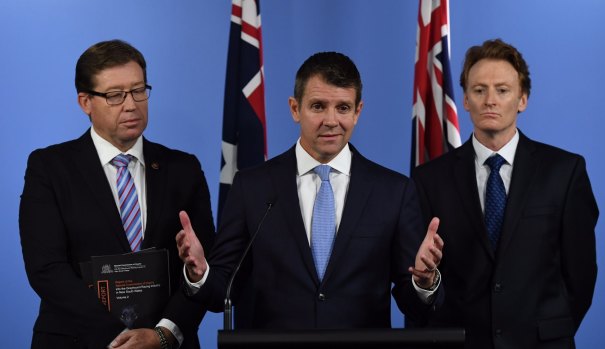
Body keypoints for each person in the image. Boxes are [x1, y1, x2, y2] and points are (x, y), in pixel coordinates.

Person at [176, 51, 444, 329]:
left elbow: (412, 302)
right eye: (318, 106)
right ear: (295, 109)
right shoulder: (251, 187)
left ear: (357, 112)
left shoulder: (393, 191)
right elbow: (222, 291)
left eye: (342, 108)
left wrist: (424, 282)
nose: (331, 120)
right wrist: (200, 273)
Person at [19, 39, 216, 349]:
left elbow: (205, 266)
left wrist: (163, 334)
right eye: (115, 95)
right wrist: (120, 337)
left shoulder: (183, 168)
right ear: (85, 102)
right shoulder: (49, 167)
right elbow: (46, 269)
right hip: (77, 340)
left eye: (139, 91)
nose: (131, 104)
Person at [409, 38, 598, 348]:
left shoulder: (564, 172)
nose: (490, 100)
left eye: (502, 90)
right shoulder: (429, 179)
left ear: (522, 99)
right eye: (479, 90)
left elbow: (581, 275)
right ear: (466, 100)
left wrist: (549, 332)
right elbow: (420, 278)